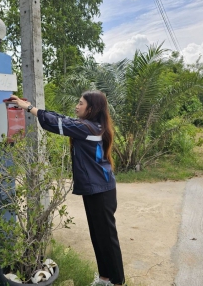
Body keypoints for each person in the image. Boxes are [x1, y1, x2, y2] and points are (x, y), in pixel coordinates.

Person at [10, 91, 125, 286]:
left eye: (80, 103)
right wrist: (31, 107)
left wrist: (28, 108)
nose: (76, 106)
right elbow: (62, 118)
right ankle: (105, 278)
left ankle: (117, 282)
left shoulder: (89, 128)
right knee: (98, 236)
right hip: (95, 189)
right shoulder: (88, 126)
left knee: (107, 238)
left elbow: (56, 124)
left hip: (101, 192)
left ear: (91, 108)